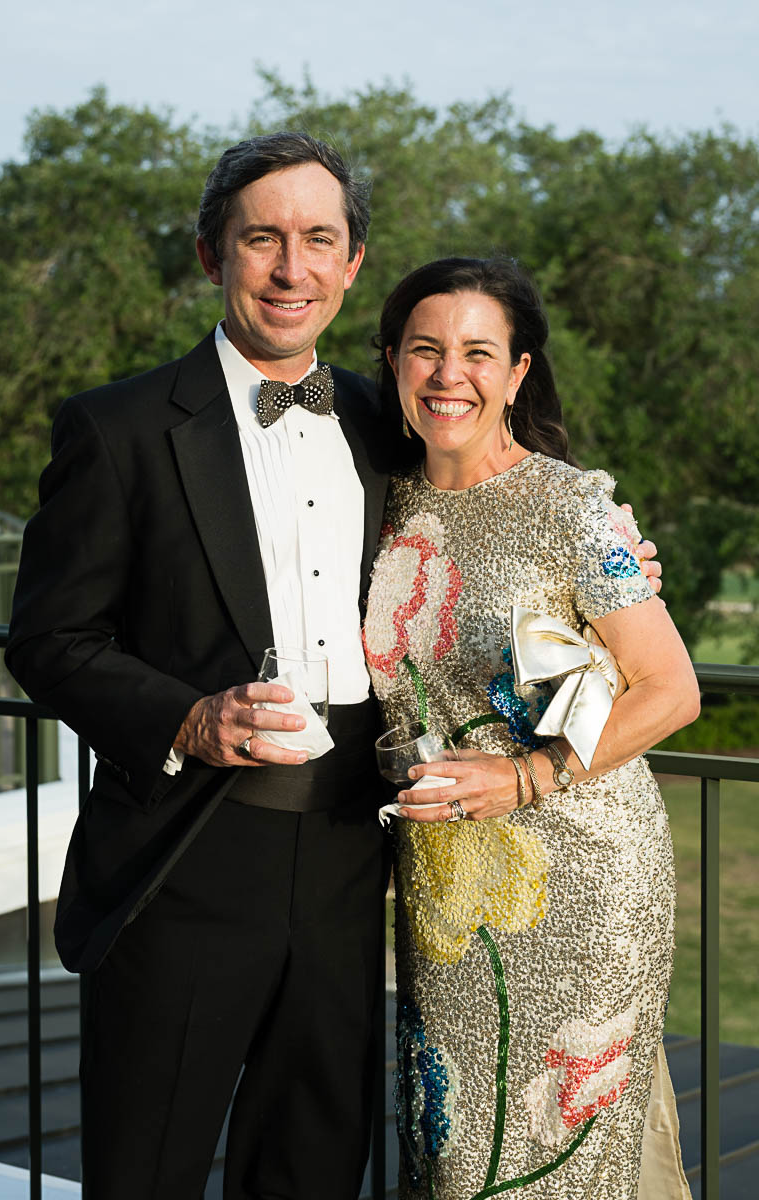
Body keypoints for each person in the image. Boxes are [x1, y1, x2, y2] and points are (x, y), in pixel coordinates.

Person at [5, 135, 661, 1200]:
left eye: (318, 240)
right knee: (145, 1168)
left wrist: (617, 563)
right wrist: (186, 717)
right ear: (212, 253)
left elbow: (503, 513)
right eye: (262, 238)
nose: (290, 268)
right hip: (188, 854)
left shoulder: (391, 417)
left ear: (351, 264)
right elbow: (49, 640)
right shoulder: (116, 428)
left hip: (357, 857)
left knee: (313, 1164)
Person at [362, 256, 698, 1199]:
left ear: (517, 374)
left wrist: (524, 776)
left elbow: (671, 690)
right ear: (392, 363)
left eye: (478, 353)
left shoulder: (573, 505)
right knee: (458, 1153)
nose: (449, 375)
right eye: (425, 350)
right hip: (448, 887)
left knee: (565, 1158)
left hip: (586, 875)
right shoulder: (381, 504)